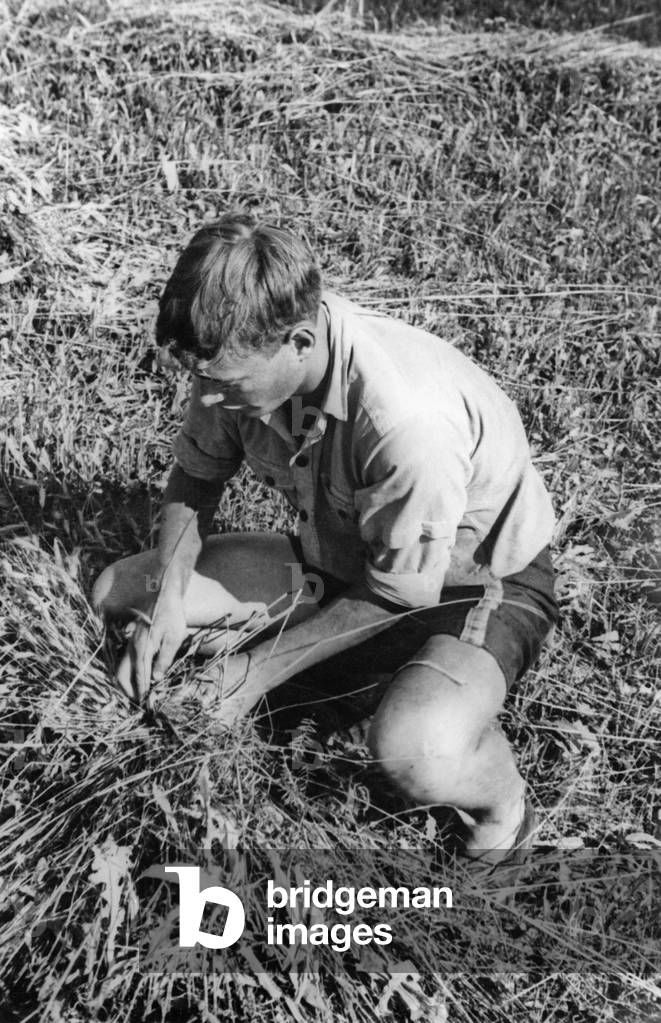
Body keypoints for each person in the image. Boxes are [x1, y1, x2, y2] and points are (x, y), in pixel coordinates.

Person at [92, 211, 559, 861]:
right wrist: (167, 598)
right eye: (201, 380)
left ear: (301, 341)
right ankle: (361, 679)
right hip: (344, 562)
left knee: (416, 749)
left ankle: (503, 807)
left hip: (473, 587)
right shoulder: (236, 360)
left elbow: (399, 592)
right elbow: (195, 479)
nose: (207, 399)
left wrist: (247, 674)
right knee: (121, 591)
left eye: (224, 386)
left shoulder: (406, 426)